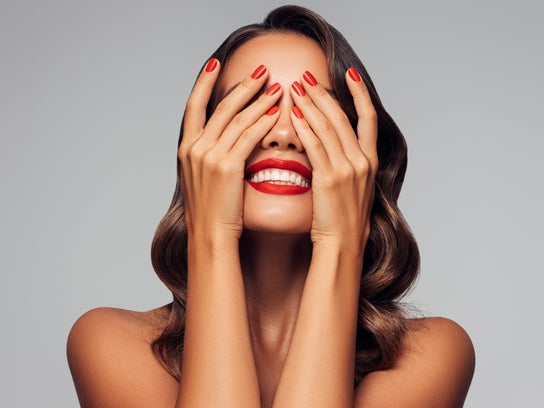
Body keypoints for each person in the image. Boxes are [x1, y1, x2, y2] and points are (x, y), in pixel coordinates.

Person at [67, 5, 475, 407]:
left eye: (315, 112)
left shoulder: (432, 355)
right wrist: (211, 235)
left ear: (363, 154)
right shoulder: (109, 343)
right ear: (198, 148)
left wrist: (340, 245)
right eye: (250, 107)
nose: (283, 135)